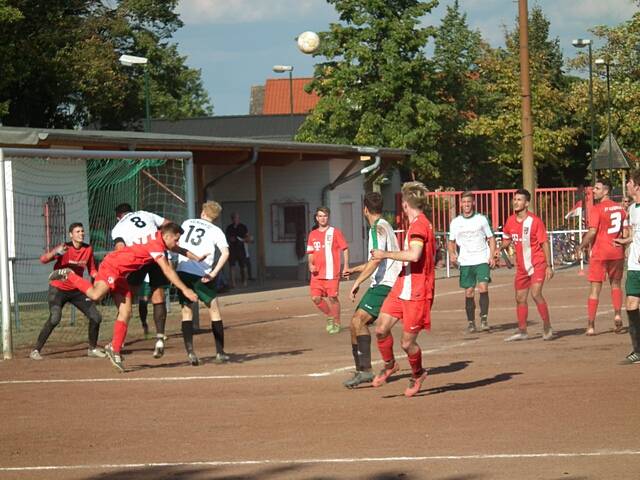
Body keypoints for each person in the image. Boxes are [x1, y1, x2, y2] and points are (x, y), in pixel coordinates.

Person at [48, 223, 198, 372]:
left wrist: (195, 257)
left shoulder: (161, 237)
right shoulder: (156, 245)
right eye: (176, 239)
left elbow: (175, 248)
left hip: (120, 273)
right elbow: (167, 270)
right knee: (95, 294)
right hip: (112, 267)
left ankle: (115, 349)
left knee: (126, 312)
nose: (177, 243)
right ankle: (68, 274)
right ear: (167, 236)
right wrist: (185, 289)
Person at [369, 181, 436, 397]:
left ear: (406, 204)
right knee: (380, 329)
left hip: (417, 291)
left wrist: (384, 254)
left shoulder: (419, 225)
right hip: (402, 286)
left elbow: (414, 255)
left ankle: (418, 374)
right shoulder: (418, 223)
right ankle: (390, 366)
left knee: (407, 343)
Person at [343, 192, 401, 388]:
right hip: (384, 282)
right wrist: (354, 269)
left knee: (358, 321)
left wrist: (356, 282)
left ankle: (365, 371)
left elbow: (376, 260)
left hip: (385, 284)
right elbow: (376, 259)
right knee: (355, 323)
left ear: (365, 209)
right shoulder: (384, 225)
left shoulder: (377, 228)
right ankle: (362, 369)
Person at [30, 222, 105, 360]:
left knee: (96, 317)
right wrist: (55, 252)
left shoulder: (88, 249)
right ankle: (36, 350)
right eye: (77, 231)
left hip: (77, 289)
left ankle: (92, 349)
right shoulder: (65, 247)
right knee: (55, 318)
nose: (81, 233)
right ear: (71, 235)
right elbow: (43, 259)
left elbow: (92, 269)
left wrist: (100, 277)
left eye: (82, 231)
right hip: (58, 288)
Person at [111, 203, 170, 357]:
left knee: (127, 297)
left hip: (138, 258)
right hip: (157, 252)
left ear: (118, 216)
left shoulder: (118, 227)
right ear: (132, 211)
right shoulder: (145, 213)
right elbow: (168, 224)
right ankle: (159, 338)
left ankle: (119, 340)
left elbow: (120, 247)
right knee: (158, 295)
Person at [176, 201, 231, 366]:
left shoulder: (187, 222)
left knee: (186, 311)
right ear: (215, 216)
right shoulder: (216, 230)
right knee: (214, 310)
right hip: (201, 274)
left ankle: (191, 352)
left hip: (183, 270)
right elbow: (225, 253)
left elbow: (177, 243)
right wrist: (214, 272)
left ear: (202, 212)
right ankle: (220, 352)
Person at [500, 189, 554, 342]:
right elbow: (507, 238)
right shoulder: (510, 221)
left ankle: (547, 326)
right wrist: (501, 248)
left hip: (537, 263)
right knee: (519, 297)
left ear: (527, 203)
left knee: (536, 294)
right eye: (514, 199)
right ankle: (522, 330)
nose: (515, 202)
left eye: (519, 199)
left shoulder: (534, 221)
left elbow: (544, 243)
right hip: (522, 266)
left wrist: (548, 265)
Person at [577, 180, 626, 335]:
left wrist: (581, 246)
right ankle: (618, 314)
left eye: (597, 188)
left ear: (606, 191)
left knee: (594, 289)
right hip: (617, 251)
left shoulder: (597, 209)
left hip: (600, 252)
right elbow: (625, 233)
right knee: (616, 284)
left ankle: (591, 326)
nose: (594, 191)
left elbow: (592, 232)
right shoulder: (620, 208)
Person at [448, 192, 497, 333]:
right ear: (461, 204)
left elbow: (491, 238)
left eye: (469, 202)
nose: (467, 205)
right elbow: (451, 242)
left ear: (473, 203)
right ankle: (471, 322)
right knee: (469, 292)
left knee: (483, 288)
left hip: (481, 258)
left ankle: (484, 319)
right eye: (464, 202)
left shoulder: (481, 219)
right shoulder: (456, 222)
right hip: (465, 261)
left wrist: (492, 256)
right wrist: (452, 254)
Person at [306, 206, 349, 334]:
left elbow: (345, 249)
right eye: (320, 216)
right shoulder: (312, 234)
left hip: (331, 273)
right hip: (316, 274)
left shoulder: (335, 232)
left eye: (324, 216)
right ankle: (331, 316)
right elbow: (310, 253)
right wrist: (310, 264)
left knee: (332, 298)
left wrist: (346, 265)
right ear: (316, 218)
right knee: (315, 298)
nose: (322, 218)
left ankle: (337, 322)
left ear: (328, 217)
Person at [614, 171, 640, 364]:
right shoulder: (632, 209)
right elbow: (637, 234)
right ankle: (637, 350)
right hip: (634, 266)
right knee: (631, 305)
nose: (627, 185)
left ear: (637, 186)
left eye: (629, 182)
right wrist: (625, 240)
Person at [225, 213, 250, 288]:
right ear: (232, 219)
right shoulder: (229, 227)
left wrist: (244, 240)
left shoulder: (243, 227)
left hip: (241, 249)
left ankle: (245, 281)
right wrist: (230, 239)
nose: (236, 219)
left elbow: (248, 237)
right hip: (232, 249)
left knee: (243, 266)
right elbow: (227, 237)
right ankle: (233, 283)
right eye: (235, 218)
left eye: (237, 218)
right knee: (232, 266)